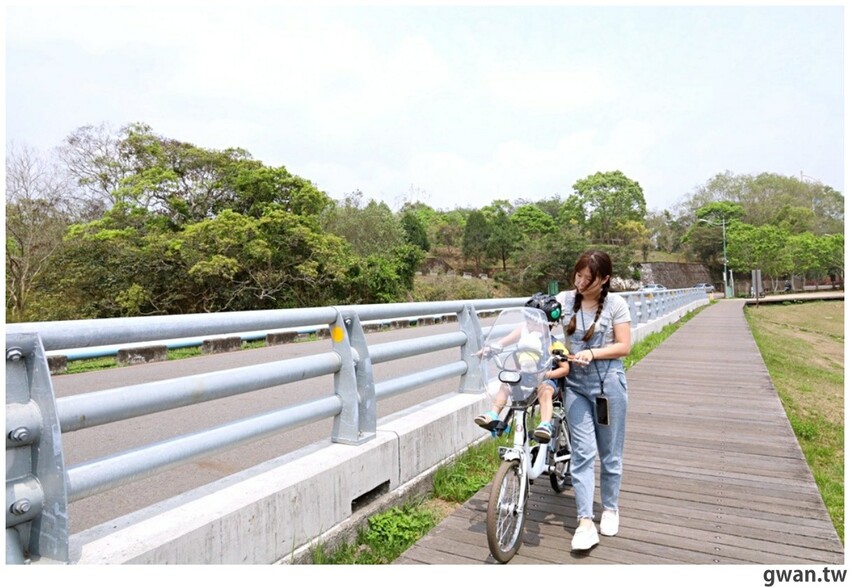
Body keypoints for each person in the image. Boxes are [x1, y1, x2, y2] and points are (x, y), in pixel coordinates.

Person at [555, 249, 632, 551]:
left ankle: (610, 508)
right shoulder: (563, 300)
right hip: (575, 385)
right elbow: (536, 322)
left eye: (590, 278)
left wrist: (593, 352)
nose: (582, 283)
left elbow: (624, 346)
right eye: (579, 275)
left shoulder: (616, 304)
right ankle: (585, 521)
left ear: (606, 279)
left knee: (610, 452)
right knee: (583, 453)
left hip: (608, 384)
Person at [474, 309, 570, 442]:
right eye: (528, 323)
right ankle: (493, 414)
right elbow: (502, 343)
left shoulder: (553, 344)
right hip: (525, 379)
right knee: (506, 383)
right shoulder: (524, 334)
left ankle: (545, 424)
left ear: (548, 325)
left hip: (545, 381)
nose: (531, 327)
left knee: (545, 390)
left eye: (536, 324)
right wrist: (489, 349)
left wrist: (547, 374)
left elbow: (565, 369)